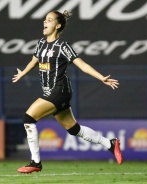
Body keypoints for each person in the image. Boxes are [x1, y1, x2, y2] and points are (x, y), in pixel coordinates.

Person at [12, 10, 123, 174]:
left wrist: (101, 78)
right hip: (51, 92)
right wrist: (23, 72)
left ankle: (35, 162)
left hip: (59, 90)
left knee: (28, 118)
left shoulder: (62, 46)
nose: (45, 22)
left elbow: (82, 65)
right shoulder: (42, 43)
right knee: (74, 129)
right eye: (45, 19)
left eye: (49, 20)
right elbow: (34, 61)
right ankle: (110, 144)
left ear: (57, 25)